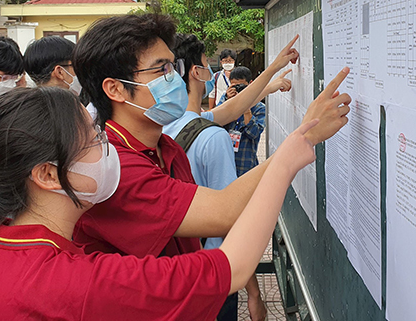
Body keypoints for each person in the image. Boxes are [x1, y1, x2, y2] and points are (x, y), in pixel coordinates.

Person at [0, 87, 322, 321]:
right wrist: (286, 161)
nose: (107, 147)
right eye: (93, 139)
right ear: (47, 174)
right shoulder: (77, 282)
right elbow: (233, 268)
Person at [71, 14, 350, 264]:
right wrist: (307, 134)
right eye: (161, 70)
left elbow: (229, 109)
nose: (175, 79)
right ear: (116, 89)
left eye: (173, 66)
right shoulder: (113, 166)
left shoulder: (165, 148)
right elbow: (224, 212)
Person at [164, 35, 271, 321]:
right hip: (211, 270)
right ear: (197, 72)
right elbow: (229, 220)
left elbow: (228, 111)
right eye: (206, 64)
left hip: (172, 270)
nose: (212, 70)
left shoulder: (158, 125)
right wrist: (253, 291)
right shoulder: (212, 137)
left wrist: (271, 74)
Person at [218, 66, 265, 177]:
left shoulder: (258, 107)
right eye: (235, 86)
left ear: (250, 83)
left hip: (246, 164)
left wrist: (246, 108)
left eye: (241, 86)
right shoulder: (225, 100)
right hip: (224, 162)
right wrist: (228, 102)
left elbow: (254, 133)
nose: (239, 90)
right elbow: (215, 124)